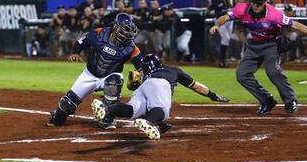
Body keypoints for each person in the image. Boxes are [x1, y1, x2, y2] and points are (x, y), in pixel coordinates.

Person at [209, 0, 307, 115]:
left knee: (273, 71)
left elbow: (295, 25)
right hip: (254, 45)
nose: (256, 6)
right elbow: (225, 18)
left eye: (259, 3)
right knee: (242, 74)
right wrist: (217, 25)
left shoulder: (274, 15)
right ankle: (266, 100)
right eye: (253, 2)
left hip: (271, 44)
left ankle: (290, 100)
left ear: (264, 2)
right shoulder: (242, 9)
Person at [92, 54, 229, 140]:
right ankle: (149, 122)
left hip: (143, 87)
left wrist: (163, 126)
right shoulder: (173, 70)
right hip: (160, 84)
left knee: (132, 109)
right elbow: (196, 86)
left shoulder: (145, 77)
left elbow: (145, 92)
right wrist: (213, 96)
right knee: (161, 110)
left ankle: (106, 109)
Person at [47, 13, 142, 128]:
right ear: (116, 27)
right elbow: (80, 42)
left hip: (111, 74)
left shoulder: (131, 48)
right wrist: (75, 52)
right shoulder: (99, 34)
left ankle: (107, 119)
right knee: (67, 104)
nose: (127, 34)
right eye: (125, 29)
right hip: (90, 74)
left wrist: (140, 77)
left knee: (113, 84)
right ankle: (58, 118)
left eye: (130, 31)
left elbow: (141, 67)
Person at [209, 0, 235, 67]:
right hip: (220, 20)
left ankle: (223, 60)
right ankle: (222, 60)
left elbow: (234, 7)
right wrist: (219, 12)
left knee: (227, 39)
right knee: (226, 38)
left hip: (230, 20)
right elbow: (211, 10)